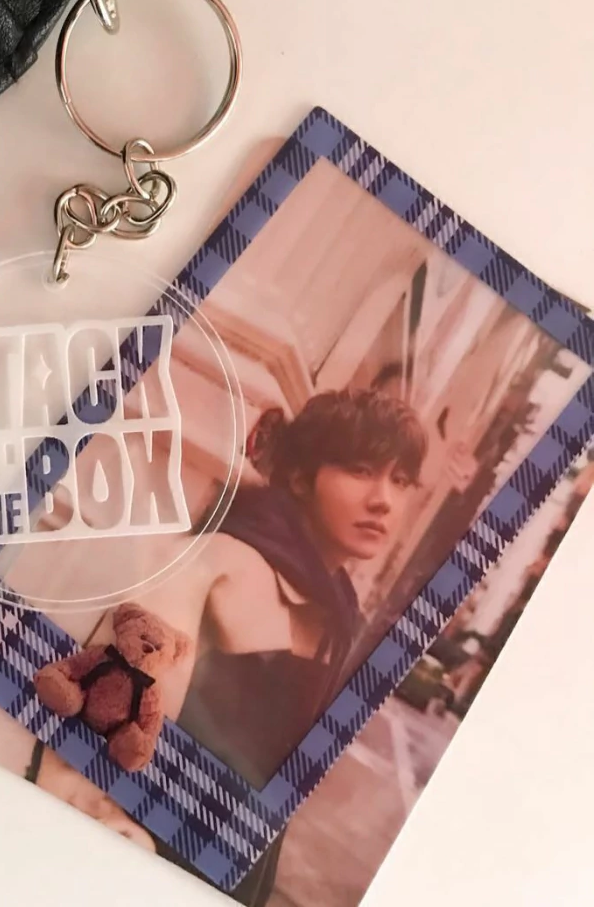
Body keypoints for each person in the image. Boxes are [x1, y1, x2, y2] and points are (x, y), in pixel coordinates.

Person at [175, 387, 427, 904]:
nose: (383, 500)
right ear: (299, 478)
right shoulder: (226, 565)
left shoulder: (339, 612)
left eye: (401, 480)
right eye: (360, 470)